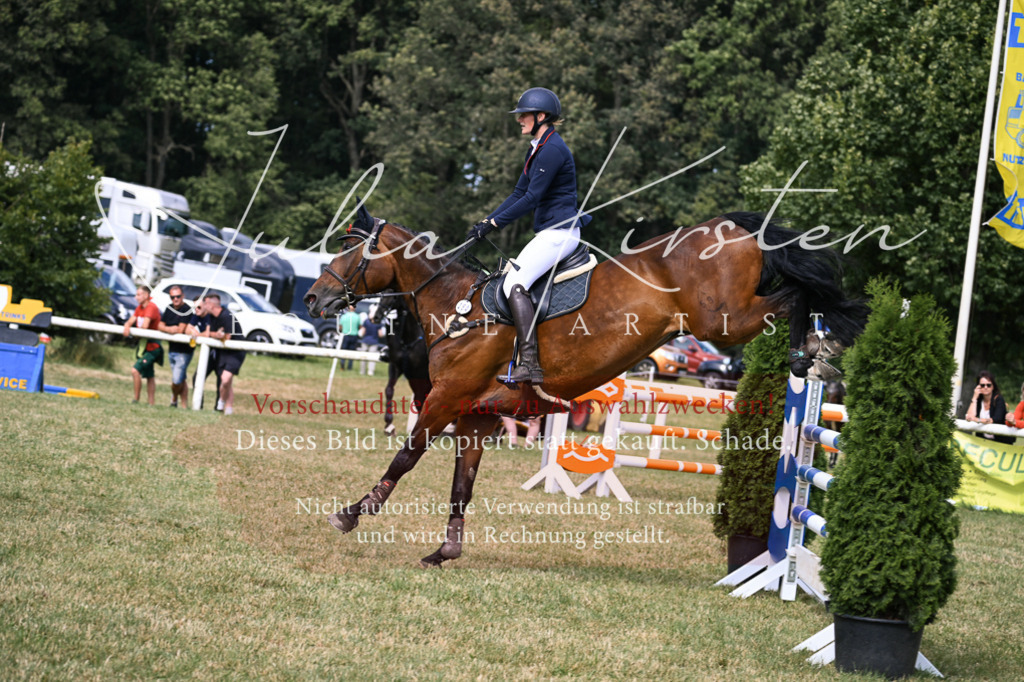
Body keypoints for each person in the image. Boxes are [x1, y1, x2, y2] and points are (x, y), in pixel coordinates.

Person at [466, 87, 592, 385]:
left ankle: (530, 364)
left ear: (541, 116)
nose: (519, 119)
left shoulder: (552, 149)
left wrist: (496, 223)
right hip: (550, 232)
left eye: (524, 115)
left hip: (560, 233)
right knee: (511, 279)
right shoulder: (537, 146)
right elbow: (519, 192)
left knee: (514, 282)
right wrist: (487, 220)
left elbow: (533, 197)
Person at [193, 293, 245, 415]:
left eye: (205, 303)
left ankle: (223, 404)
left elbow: (226, 337)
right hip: (223, 351)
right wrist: (215, 334)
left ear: (211, 304)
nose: (203, 306)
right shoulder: (211, 316)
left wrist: (215, 335)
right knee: (225, 380)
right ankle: (225, 408)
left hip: (236, 351)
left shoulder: (227, 316)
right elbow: (208, 334)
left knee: (226, 379)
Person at [123, 285, 163, 405]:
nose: (136, 297)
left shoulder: (151, 307)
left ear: (146, 295)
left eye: (138, 294)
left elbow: (145, 326)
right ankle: (151, 403)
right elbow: (130, 321)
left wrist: (133, 333)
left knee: (135, 371)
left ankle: (136, 399)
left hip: (153, 347)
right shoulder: (139, 308)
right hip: (144, 347)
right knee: (150, 376)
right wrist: (127, 326)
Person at [158, 285, 193, 408]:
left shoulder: (187, 309)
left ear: (182, 296)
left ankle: (173, 398)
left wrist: (168, 329)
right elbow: (160, 326)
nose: (175, 299)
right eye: (173, 297)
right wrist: (169, 329)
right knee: (181, 379)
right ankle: (183, 405)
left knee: (177, 380)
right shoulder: (169, 308)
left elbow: (180, 329)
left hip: (184, 351)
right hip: (172, 349)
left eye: (178, 296)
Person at [965, 371, 1014, 445]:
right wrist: (974, 397)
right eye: (982, 385)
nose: (985, 387)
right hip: (983, 442)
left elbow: (996, 420)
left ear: (993, 386)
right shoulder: (978, 401)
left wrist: (977, 419)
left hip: (1001, 443)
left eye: (988, 385)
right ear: (978, 387)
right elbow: (969, 417)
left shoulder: (999, 399)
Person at [358, 308, 386, 376]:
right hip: (374, 342)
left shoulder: (366, 322)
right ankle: (370, 372)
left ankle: (362, 371)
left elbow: (363, 332)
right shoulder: (378, 323)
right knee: (372, 358)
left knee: (363, 357)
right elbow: (380, 334)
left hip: (365, 341)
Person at [339, 305, 362, 370]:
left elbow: (340, 327)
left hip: (345, 335)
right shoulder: (357, 316)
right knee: (352, 352)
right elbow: (360, 326)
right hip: (354, 335)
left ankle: (342, 364)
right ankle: (349, 367)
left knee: (343, 350)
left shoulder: (344, 316)